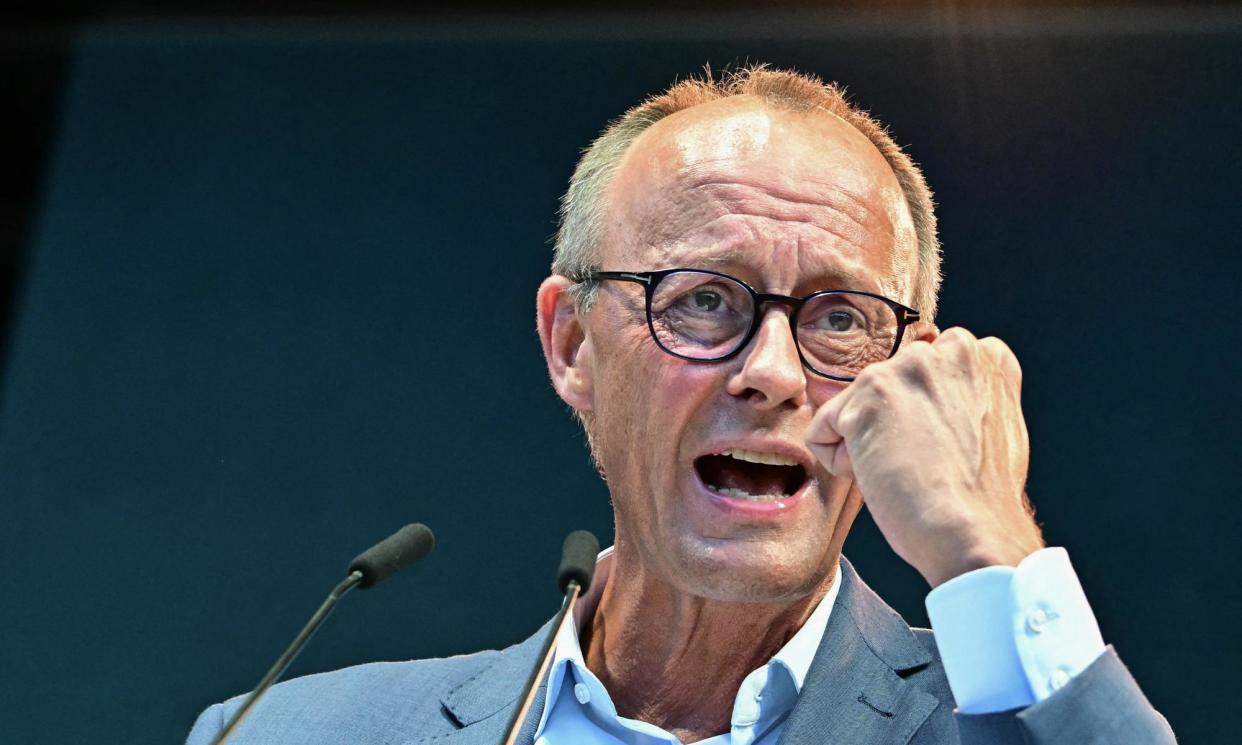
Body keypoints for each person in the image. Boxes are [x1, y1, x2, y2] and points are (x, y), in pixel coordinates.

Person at [188, 66, 1175, 744]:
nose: (776, 373)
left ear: (913, 378)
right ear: (573, 344)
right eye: (706, 299)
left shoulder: (1005, 716)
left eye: (840, 318)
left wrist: (988, 542)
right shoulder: (286, 729)